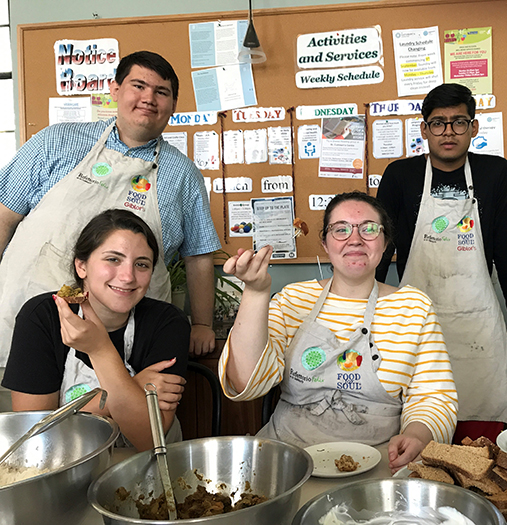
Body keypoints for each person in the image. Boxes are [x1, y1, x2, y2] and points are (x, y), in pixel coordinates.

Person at [0, 50, 220, 364]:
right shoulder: (55, 142)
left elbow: (198, 256)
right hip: (31, 318)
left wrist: (201, 324)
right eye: (139, 86)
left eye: (161, 92)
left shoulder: (183, 174)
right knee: (28, 410)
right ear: (115, 90)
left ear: (173, 105)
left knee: (119, 406)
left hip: (128, 335)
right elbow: (3, 217)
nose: (149, 98)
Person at [218, 192, 457, 473]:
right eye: (340, 229)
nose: (355, 239)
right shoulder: (292, 300)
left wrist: (417, 435)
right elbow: (246, 382)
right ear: (325, 243)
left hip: (381, 463)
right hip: (287, 459)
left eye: (369, 228)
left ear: (385, 242)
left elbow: (433, 396)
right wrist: (256, 293)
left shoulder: (413, 307)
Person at [376, 83, 507, 443]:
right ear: (424, 129)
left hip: (478, 324)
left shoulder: (495, 173)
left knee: (482, 433)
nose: (448, 132)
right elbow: (380, 252)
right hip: (414, 321)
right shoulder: (400, 176)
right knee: (418, 429)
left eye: (459, 122)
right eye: (438, 123)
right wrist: (368, 317)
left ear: (474, 128)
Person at [1, 209, 189, 451]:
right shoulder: (42, 317)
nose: (128, 276)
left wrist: (100, 350)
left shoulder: (167, 323)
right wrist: (130, 388)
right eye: (113, 259)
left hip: (143, 471)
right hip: (63, 473)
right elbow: (36, 439)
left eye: (141, 264)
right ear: (82, 266)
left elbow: (149, 440)